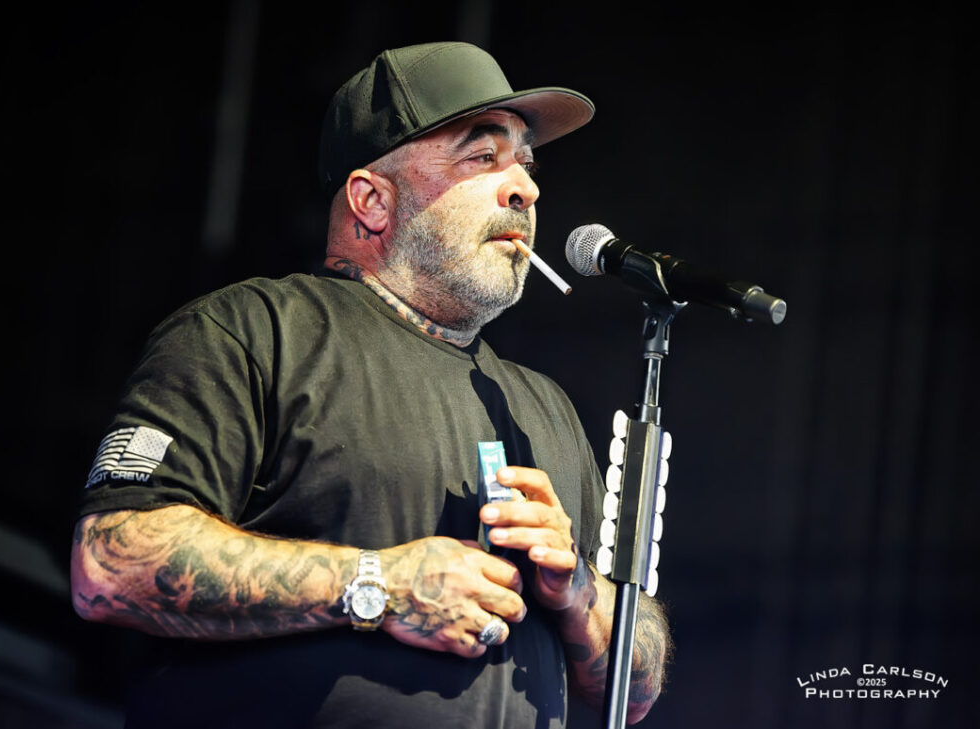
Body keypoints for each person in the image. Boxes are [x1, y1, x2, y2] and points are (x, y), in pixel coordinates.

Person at [70, 42, 670, 728]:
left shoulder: (545, 409)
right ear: (372, 201)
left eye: (525, 164)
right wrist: (380, 585)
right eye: (482, 157)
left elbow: (637, 691)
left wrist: (579, 592)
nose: (525, 190)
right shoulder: (253, 332)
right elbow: (109, 562)